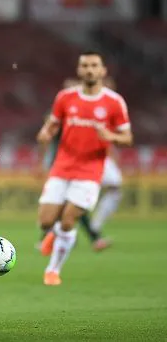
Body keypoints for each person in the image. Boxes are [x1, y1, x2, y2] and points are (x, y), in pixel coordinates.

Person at [36, 51, 133, 286]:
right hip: (62, 166)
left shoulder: (114, 102)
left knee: (69, 221)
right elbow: (53, 124)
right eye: (85, 65)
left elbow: (127, 137)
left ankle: (53, 270)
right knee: (45, 221)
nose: (89, 70)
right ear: (79, 70)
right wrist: (45, 133)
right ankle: (55, 232)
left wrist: (109, 135)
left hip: (90, 170)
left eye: (94, 66)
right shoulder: (65, 97)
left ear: (102, 71)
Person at [36, 76, 122, 251]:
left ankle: (53, 238)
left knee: (71, 203)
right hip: (60, 164)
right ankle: (86, 237)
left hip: (78, 165)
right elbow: (45, 139)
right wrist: (41, 163)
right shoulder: (57, 113)